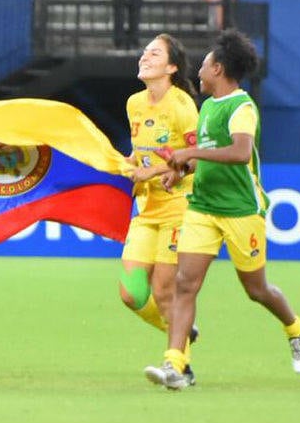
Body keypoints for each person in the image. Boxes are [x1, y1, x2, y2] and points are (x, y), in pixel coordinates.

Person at [144, 29, 300, 390]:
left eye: (204, 64)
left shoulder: (242, 107)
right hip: (202, 206)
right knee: (185, 284)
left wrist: (190, 153)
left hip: (239, 210)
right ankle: (176, 365)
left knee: (256, 289)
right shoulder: (207, 107)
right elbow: (208, 157)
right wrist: (183, 171)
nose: (199, 69)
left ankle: (295, 328)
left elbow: (238, 153)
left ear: (218, 69)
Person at [120, 33, 199, 384]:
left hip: (177, 208)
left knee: (165, 290)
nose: (144, 56)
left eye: (154, 53)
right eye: (144, 51)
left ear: (171, 67)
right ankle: (182, 330)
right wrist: (123, 164)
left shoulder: (182, 106)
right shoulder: (134, 103)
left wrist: (153, 170)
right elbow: (140, 154)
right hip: (145, 208)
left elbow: (195, 160)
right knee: (132, 294)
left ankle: (180, 366)